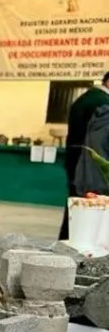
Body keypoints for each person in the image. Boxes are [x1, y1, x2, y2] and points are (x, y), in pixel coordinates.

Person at [59, 71, 109, 240]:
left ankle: (67, 244)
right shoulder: (103, 103)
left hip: (78, 161)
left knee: (76, 210)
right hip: (92, 166)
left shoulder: (86, 98)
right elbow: (101, 142)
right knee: (91, 213)